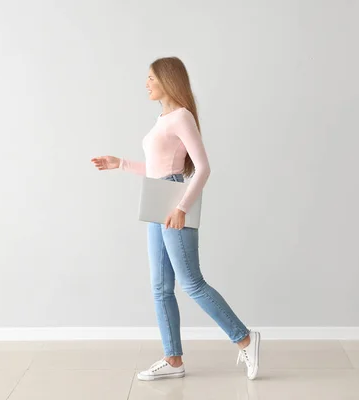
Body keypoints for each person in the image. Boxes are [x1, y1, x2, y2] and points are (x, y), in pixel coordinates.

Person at [91, 57, 260, 381]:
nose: (146, 83)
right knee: (160, 287)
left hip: (172, 202)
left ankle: (246, 340)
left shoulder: (181, 117)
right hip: (158, 199)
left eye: (151, 77)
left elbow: (203, 167)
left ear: (168, 79)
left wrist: (181, 207)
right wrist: (120, 163)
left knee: (191, 283)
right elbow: (158, 167)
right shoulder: (163, 119)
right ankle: (173, 359)